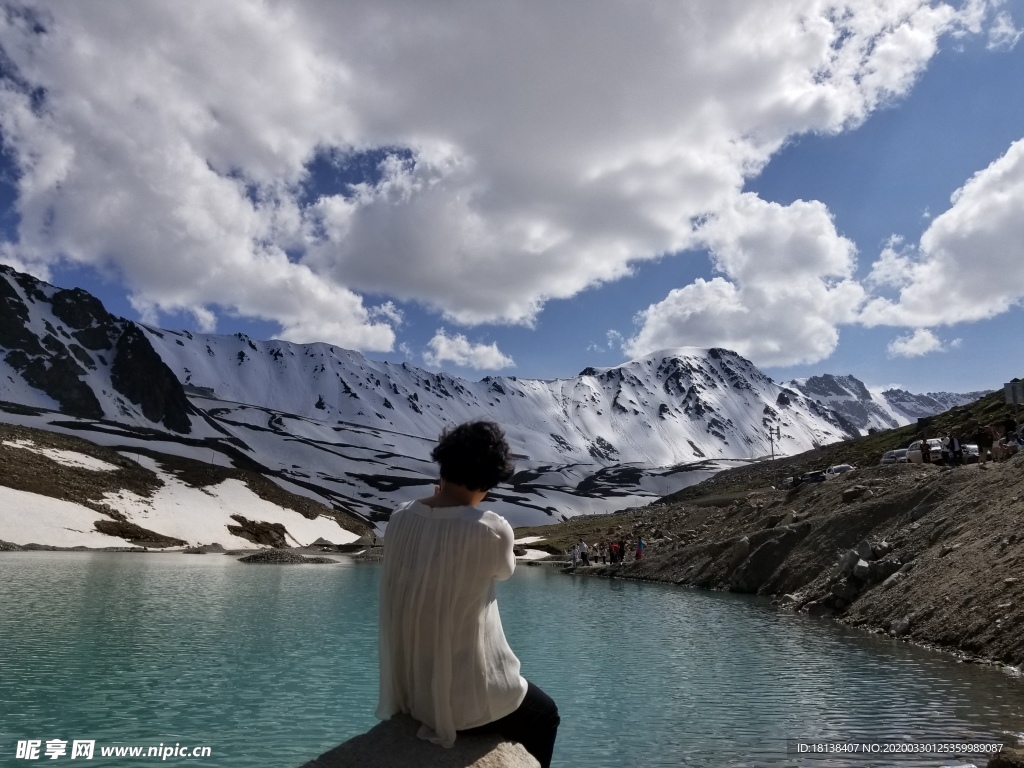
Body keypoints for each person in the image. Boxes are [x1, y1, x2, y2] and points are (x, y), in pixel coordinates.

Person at [376, 420, 559, 767]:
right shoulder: (491, 529)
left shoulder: (399, 518)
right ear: (488, 481)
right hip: (467, 700)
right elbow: (505, 572)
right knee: (545, 714)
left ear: (443, 464)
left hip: (416, 693)